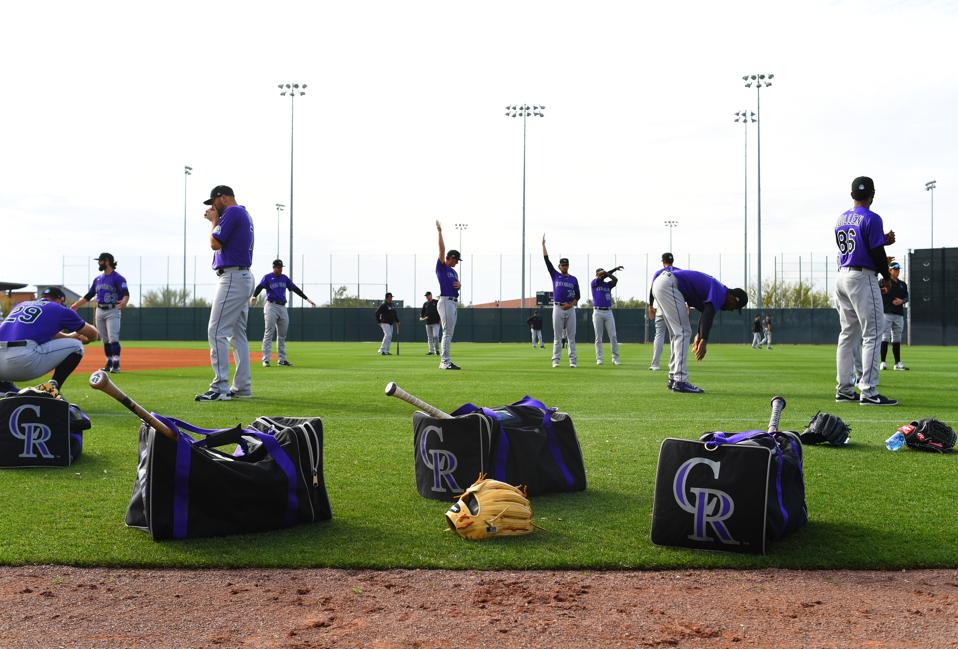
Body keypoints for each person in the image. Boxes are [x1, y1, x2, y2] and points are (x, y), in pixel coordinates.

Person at [833, 176, 897, 406]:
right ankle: (868, 392)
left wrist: (882, 242)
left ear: (852, 195)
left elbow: (862, 245)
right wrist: (887, 277)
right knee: (873, 332)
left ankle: (844, 389)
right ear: (873, 195)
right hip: (862, 277)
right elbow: (876, 253)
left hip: (842, 276)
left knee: (847, 335)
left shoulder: (841, 219)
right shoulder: (872, 217)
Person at [196, 185, 254, 402]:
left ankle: (219, 388)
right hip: (241, 275)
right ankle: (242, 387)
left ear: (223, 197)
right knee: (237, 335)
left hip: (232, 277)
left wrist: (213, 222)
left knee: (216, 330)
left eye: (213, 202)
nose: (211, 207)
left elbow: (215, 243)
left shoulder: (232, 211)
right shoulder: (243, 213)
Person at [651, 267, 748, 393]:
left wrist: (699, 334)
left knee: (677, 334)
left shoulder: (718, 292)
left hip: (662, 284)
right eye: (735, 306)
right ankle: (680, 380)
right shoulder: (721, 291)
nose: (731, 309)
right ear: (733, 298)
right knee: (683, 332)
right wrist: (704, 341)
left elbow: (705, 313)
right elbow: (708, 313)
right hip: (669, 285)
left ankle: (674, 378)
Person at [0, 287, 99, 397]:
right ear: (59, 300)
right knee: (77, 346)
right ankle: (52, 389)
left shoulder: (22, 305)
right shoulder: (59, 309)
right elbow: (93, 334)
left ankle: (3, 386)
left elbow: (48, 333)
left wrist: (70, 336)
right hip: (21, 361)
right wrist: (88, 339)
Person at [69, 252, 129, 373]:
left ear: (106, 261)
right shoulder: (98, 279)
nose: (98, 263)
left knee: (113, 338)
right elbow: (89, 295)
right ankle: (109, 362)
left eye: (100, 260)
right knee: (105, 339)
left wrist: (124, 302)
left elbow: (126, 293)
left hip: (113, 310)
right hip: (99, 310)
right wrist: (76, 305)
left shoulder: (118, 278)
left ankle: (116, 364)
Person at [250, 259, 316, 367]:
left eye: (281, 267)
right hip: (271, 306)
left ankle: (281, 359)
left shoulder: (284, 278)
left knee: (282, 335)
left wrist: (307, 299)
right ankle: (266, 359)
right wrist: (254, 296)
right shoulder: (267, 277)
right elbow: (259, 287)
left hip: (282, 307)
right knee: (269, 332)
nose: (280, 269)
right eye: (278, 267)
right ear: (274, 267)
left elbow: (295, 289)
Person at [542, 234, 580, 368]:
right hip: (557, 307)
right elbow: (547, 261)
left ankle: (572, 361)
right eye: (562, 265)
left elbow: (578, 296)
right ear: (559, 266)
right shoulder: (555, 275)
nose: (564, 266)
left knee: (571, 337)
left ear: (568, 266)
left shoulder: (573, 279)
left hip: (570, 309)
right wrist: (543, 246)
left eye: (566, 265)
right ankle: (556, 360)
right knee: (557, 337)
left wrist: (570, 304)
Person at [435, 221, 461, 370]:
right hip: (444, 301)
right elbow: (442, 249)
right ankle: (444, 362)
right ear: (451, 258)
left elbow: (456, 285)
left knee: (449, 332)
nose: (457, 262)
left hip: (453, 302)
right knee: (447, 332)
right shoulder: (442, 267)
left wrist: (460, 285)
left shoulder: (454, 271)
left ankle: (447, 360)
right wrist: (440, 232)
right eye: (456, 260)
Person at [648, 252, 676, 371]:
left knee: (659, 336)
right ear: (672, 261)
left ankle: (655, 364)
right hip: (674, 308)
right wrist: (688, 305)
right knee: (675, 336)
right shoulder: (679, 272)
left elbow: (652, 290)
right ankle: (673, 364)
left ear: (663, 261)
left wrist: (650, 306)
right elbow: (685, 289)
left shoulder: (659, 273)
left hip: (660, 307)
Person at [880, 261, 909, 371]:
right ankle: (883, 362)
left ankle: (897, 363)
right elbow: (876, 291)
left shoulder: (902, 284)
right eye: (895, 269)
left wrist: (901, 301)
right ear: (889, 270)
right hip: (886, 313)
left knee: (897, 338)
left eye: (898, 269)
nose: (897, 271)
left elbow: (907, 297)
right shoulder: (883, 281)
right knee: (885, 337)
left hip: (899, 314)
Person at [591, 266, 622, 366]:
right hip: (597, 311)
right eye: (599, 273)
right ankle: (599, 358)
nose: (601, 274)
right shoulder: (594, 283)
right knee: (598, 337)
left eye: (602, 273)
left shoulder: (608, 285)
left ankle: (615, 358)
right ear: (597, 274)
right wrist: (604, 273)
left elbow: (615, 279)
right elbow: (600, 278)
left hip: (608, 312)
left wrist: (609, 272)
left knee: (613, 336)